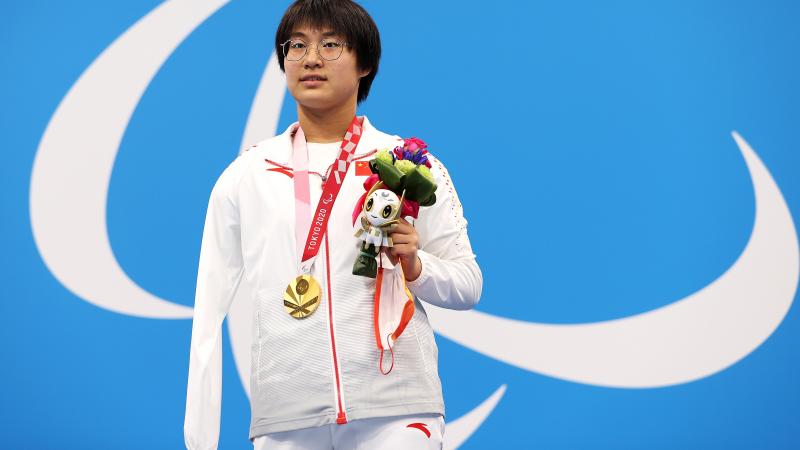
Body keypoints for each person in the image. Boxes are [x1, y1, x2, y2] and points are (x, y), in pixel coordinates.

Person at [183, 0, 482, 448]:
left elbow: (467, 284)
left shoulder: (409, 166)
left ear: (365, 64)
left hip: (395, 408)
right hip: (287, 417)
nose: (311, 59)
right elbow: (208, 306)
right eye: (296, 45)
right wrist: (200, 438)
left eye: (331, 44)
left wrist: (416, 266)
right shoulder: (246, 176)